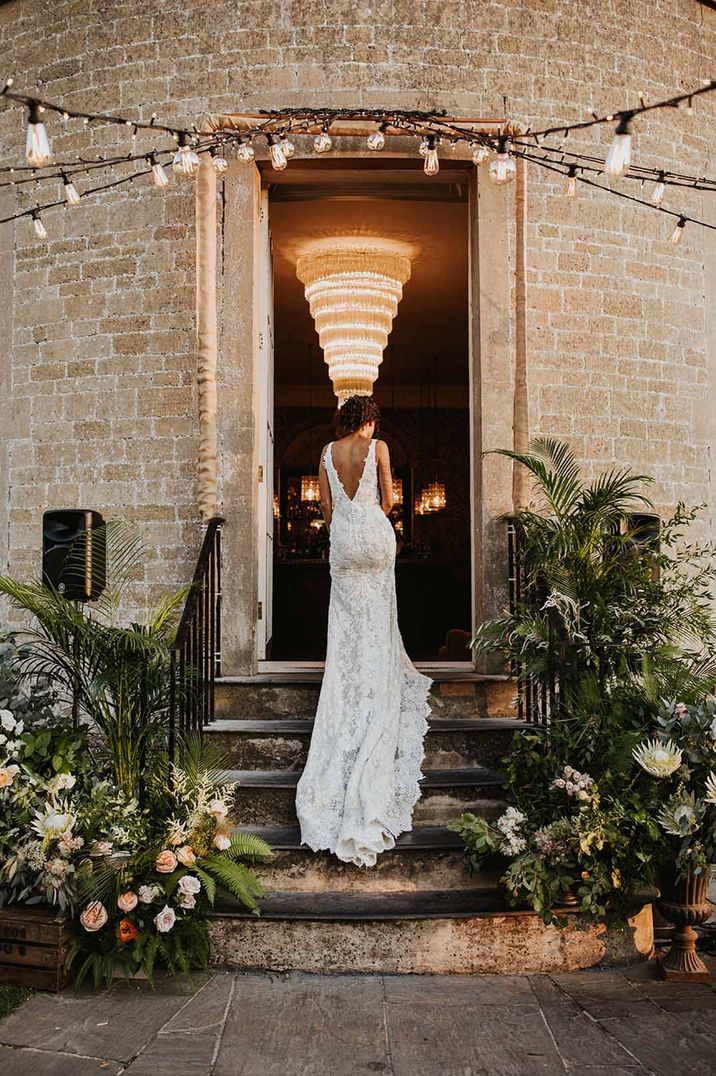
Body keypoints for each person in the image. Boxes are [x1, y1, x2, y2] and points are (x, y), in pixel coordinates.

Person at [295, 395, 432, 867]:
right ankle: (377, 688)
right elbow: (392, 499)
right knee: (378, 624)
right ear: (368, 421)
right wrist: (377, 514)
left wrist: (346, 524)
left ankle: (348, 691)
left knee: (347, 630)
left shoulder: (325, 453)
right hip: (374, 536)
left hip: (344, 545)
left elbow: (328, 509)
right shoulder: (380, 448)